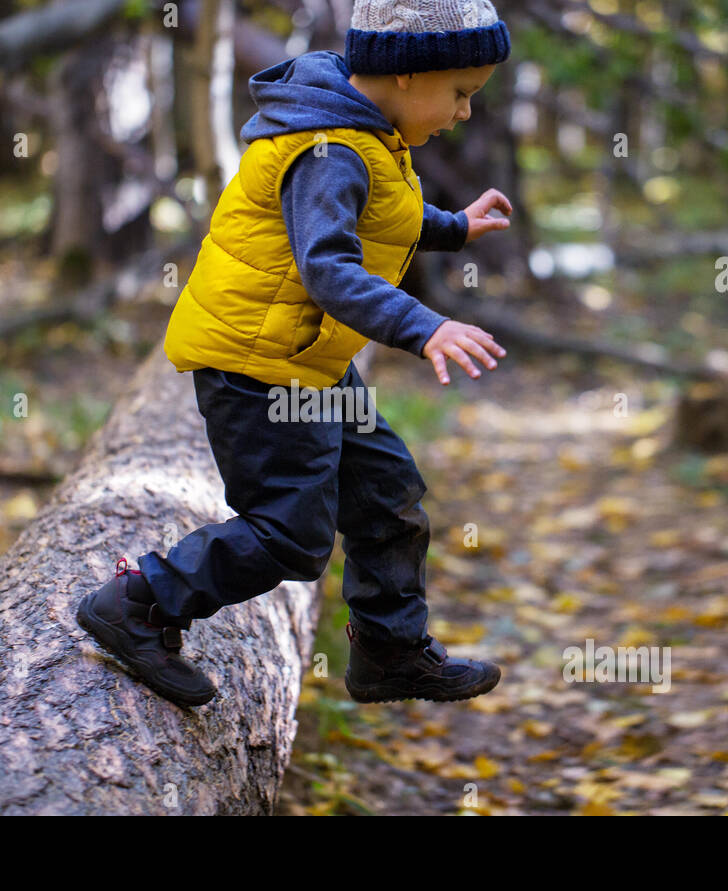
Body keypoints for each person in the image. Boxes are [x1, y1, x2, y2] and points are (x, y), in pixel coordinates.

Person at [77, 0, 514, 707]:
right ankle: (138, 603)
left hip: (307, 360)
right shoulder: (328, 150)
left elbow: (380, 212)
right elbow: (328, 268)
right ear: (407, 74)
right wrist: (423, 326)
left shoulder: (362, 128)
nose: (464, 112)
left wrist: (454, 227)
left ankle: (390, 652)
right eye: (460, 93)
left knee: (387, 495)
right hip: (258, 365)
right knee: (290, 533)